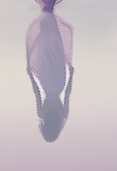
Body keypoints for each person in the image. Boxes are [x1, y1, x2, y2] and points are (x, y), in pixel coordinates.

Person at [26, 12, 75, 142]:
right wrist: (31, 77)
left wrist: (71, 75)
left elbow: (67, 93)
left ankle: (51, 22)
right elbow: (37, 93)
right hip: (47, 84)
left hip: (60, 83)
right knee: (45, 51)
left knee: (56, 50)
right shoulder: (42, 114)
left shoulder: (63, 115)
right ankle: (46, 22)